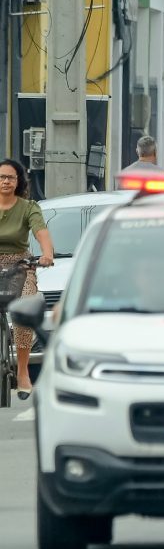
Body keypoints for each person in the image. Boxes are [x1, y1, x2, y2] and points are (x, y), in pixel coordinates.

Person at [0, 159, 54, 399]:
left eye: (10, 177)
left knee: (24, 309)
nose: (5, 181)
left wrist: (47, 254)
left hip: (21, 265)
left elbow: (40, 230)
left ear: (18, 181)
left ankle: (22, 372)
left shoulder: (28, 206)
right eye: (1, 177)